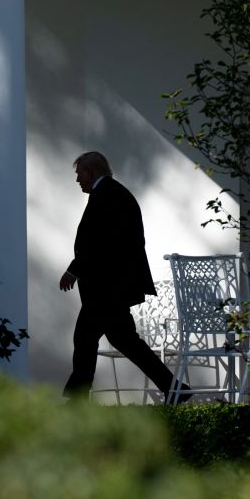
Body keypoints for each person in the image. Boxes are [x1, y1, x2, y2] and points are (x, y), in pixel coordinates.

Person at [59, 151, 191, 404]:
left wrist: (74, 269)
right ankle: (174, 389)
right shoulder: (112, 193)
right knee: (123, 341)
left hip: (106, 288)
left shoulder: (107, 195)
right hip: (112, 287)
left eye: (80, 175)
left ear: (92, 171)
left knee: (86, 339)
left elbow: (99, 241)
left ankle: (77, 401)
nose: (78, 180)